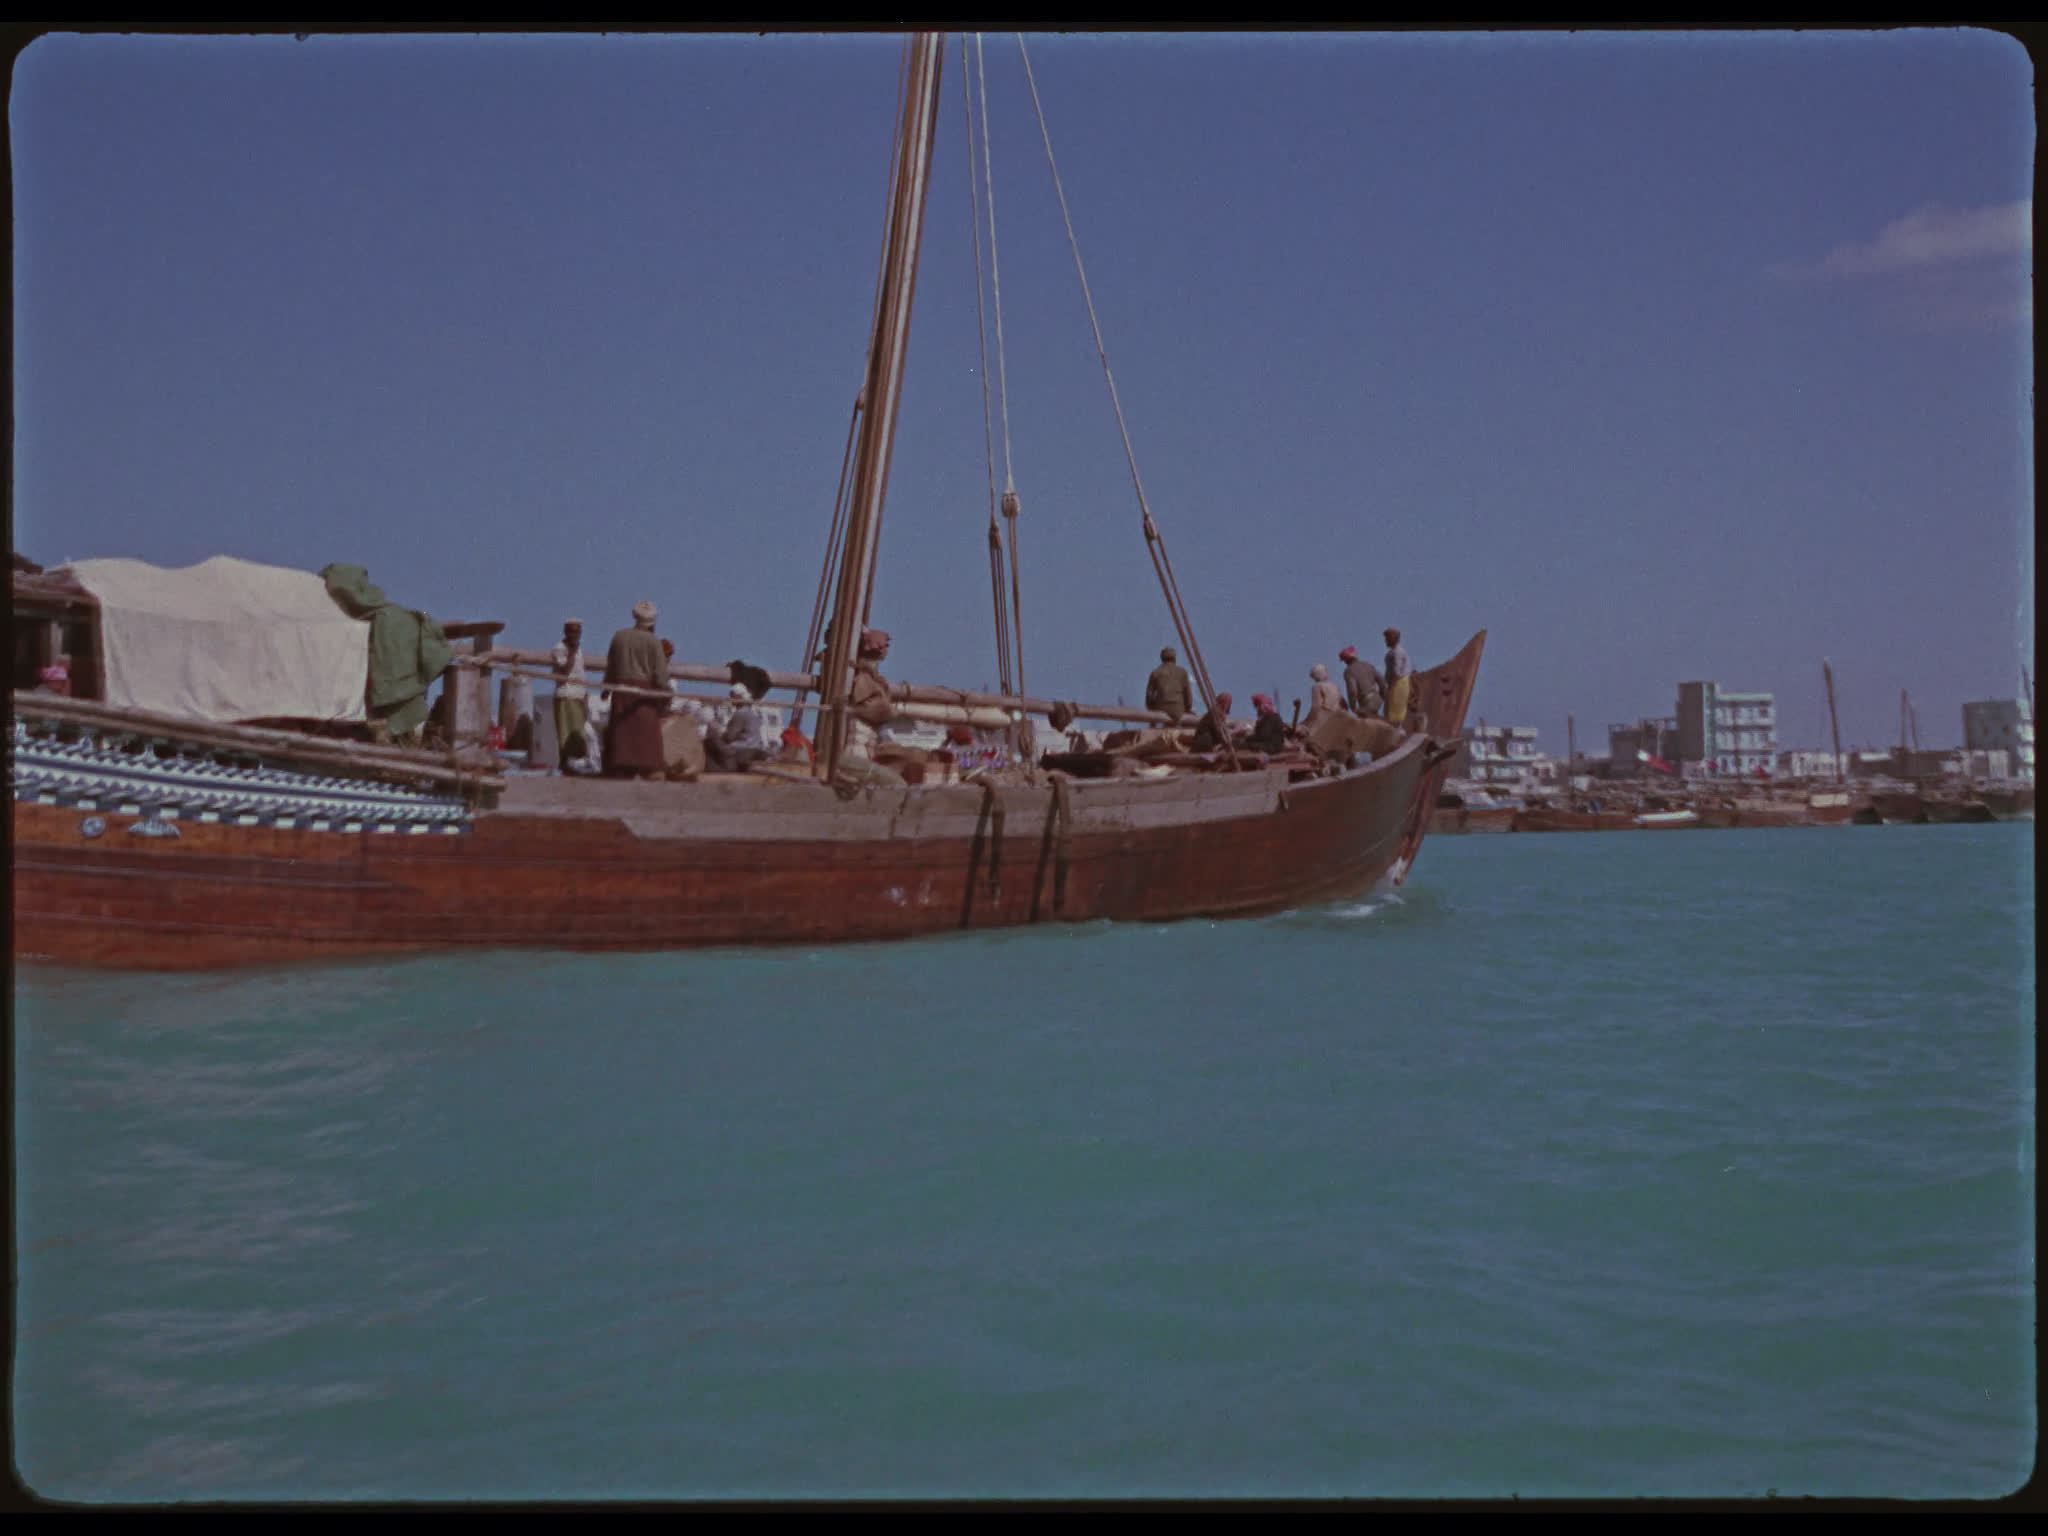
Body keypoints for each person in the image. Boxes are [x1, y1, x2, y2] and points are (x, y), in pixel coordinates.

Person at [603, 599, 670, 780]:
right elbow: (660, 674)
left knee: (623, 732)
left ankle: (621, 767)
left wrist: (606, 688)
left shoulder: (619, 637)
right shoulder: (654, 643)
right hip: (645, 694)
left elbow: (611, 666)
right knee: (646, 733)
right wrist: (666, 695)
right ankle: (649, 769)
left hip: (621, 691)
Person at [705, 681, 771, 773]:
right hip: (753, 746)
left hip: (743, 749)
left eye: (732, 696)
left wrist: (717, 732)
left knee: (711, 741)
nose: (731, 699)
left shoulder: (740, 713)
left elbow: (729, 737)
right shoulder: (751, 712)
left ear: (738, 697)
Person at [550, 619, 589, 772]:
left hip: (578, 695)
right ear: (566, 632)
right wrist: (572, 652)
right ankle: (566, 764)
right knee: (566, 733)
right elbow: (564, 672)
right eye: (572, 632)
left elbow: (580, 673)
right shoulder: (560, 649)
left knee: (578, 732)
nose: (575, 635)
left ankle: (577, 765)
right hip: (566, 695)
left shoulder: (578, 649)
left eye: (578, 632)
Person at [1145, 646, 1193, 725]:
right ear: (1174, 658)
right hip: (1178, 709)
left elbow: (1149, 697)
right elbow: (1188, 698)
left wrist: (1152, 709)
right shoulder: (1182, 672)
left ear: (1162, 659)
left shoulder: (1155, 672)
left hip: (1161, 708)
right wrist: (1187, 710)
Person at [1339, 644, 1383, 718]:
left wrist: (1353, 707)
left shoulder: (1349, 671)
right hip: (1377, 700)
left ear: (1346, 660)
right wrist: (1382, 697)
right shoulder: (1368, 665)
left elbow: (1352, 690)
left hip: (1366, 703)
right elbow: (1382, 681)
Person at [1383, 627, 1413, 727]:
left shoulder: (1397, 653)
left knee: (1395, 712)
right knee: (1394, 710)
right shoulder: (1394, 652)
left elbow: (1396, 671)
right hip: (1398, 682)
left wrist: (1391, 685)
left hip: (1398, 683)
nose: (1385, 641)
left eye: (1387, 638)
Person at [1304, 662, 1345, 733]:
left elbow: (1316, 706)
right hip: (1338, 714)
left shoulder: (1317, 686)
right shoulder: (1334, 686)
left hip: (1326, 716)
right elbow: (1343, 703)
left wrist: (1307, 720)